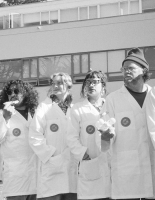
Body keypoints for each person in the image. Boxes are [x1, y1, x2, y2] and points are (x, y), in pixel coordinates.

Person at [101, 47, 154, 199]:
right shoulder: (113, 99)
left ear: (144, 70)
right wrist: (105, 136)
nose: (126, 72)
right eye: (124, 69)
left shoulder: (153, 96)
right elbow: (104, 143)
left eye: (131, 68)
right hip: (127, 174)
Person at [29, 72, 77, 200]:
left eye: (59, 83)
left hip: (72, 165)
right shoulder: (43, 107)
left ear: (68, 85)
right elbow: (34, 135)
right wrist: (51, 154)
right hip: (51, 164)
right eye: (53, 83)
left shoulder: (74, 108)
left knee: (71, 193)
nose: (55, 86)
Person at [0, 80, 39, 200]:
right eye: (9, 92)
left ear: (26, 93)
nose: (12, 94)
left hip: (37, 179)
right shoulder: (0, 114)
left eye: (16, 91)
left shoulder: (36, 113)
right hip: (16, 179)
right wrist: (5, 119)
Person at [66, 70, 111, 200]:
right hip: (89, 163)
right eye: (88, 82)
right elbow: (71, 137)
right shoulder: (78, 108)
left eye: (95, 82)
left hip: (110, 162)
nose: (91, 85)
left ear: (103, 86)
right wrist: (83, 154)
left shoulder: (110, 106)